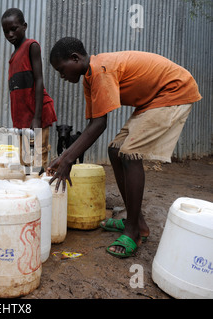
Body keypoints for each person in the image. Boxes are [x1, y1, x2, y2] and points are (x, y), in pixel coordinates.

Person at [47, 37, 202, 258]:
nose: (62, 76)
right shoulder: (89, 78)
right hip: (152, 99)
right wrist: (65, 157)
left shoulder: (100, 70)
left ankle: (133, 232)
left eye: (62, 70)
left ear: (75, 58)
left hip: (173, 90)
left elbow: (100, 125)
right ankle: (137, 222)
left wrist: (68, 158)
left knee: (129, 154)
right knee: (115, 150)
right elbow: (95, 123)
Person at [1, 8, 57, 174]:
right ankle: (30, 197)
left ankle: (44, 195)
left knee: (40, 160)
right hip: (23, 118)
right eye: (6, 31)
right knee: (24, 161)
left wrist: (37, 118)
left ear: (24, 26)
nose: (10, 34)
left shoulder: (31, 46)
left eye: (14, 29)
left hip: (36, 114)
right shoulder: (13, 56)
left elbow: (39, 80)